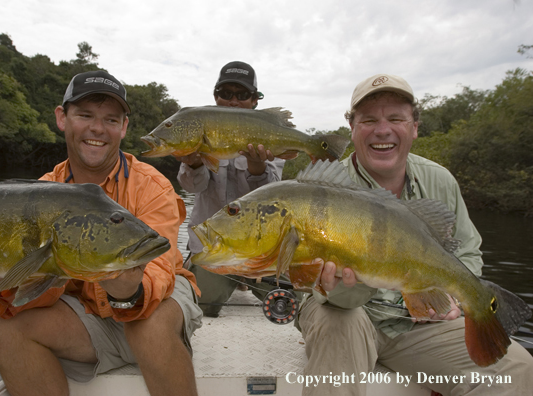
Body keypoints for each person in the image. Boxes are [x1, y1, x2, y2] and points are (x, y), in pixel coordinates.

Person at [0, 70, 203, 396]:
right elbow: (34, 288)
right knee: (3, 327)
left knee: (149, 322)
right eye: (85, 115)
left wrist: (128, 291)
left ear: (123, 127)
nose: (97, 128)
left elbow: (159, 274)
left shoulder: (153, 187)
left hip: (156, 303)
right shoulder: (43, 192)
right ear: (62, 118)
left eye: (110, 119)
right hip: (87, 318)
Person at [297, 74, 533, 395]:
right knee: (340, 322)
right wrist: (342, 289)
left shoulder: (440, 181)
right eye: (368, 120)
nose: (383, 129)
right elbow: (325, 292)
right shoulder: (322, 189)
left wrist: (454, 298)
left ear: (415, 128)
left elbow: (467, 252)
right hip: (343, 310)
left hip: (420, 324)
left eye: (396, 118)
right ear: (352, 130)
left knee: (517, 367)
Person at [176, 61, 286, 317]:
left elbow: (271, 199)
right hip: (213, 249)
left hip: (261, 251)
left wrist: (257, 167)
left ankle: (242, 280)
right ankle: (224, 280)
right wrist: (193, 162)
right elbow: (192, 186)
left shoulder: (269, 133)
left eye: (242, 95)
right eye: (226, 94)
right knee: (203, 304)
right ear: (215, 97)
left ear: (255, 100)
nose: (233, 101)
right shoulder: (200, 131)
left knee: (291, 304)